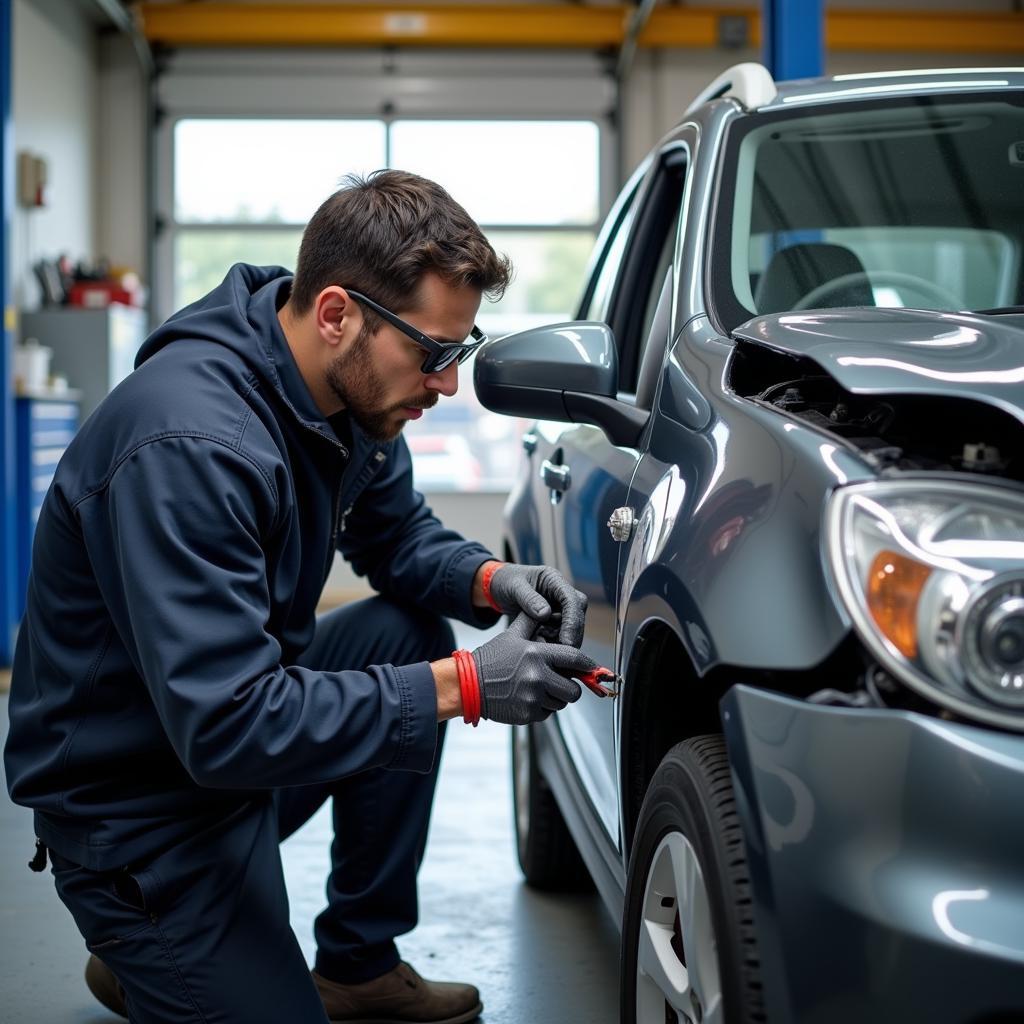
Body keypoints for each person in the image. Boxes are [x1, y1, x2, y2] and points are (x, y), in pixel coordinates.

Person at [4, 170, 598, 1024]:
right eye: (432, 354)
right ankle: (148, 936)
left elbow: (396, 540)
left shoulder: (349, 396)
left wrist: (492, 581)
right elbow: (229, 722)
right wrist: (466, 683)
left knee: (404, 629)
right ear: (335, 314)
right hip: (139, 808)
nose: (446, 386)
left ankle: (355, 963)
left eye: (457, 353)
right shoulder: (189, 445)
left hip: (229, 757)